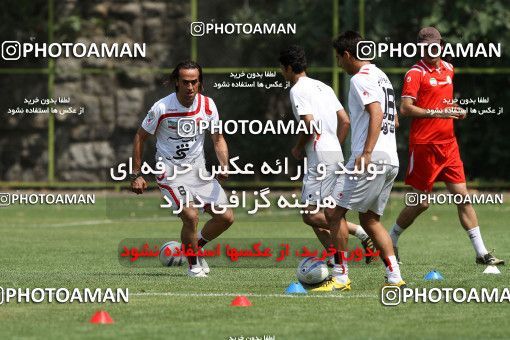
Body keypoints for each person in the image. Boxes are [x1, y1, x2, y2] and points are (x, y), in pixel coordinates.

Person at [389, 27, 504, 266]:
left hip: (448, 146)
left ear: (441, 45)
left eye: (435, 44)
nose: (432, 49)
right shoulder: (415, 73)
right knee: (420, 202)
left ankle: (482, 253)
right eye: (427, 45)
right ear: (420, 47)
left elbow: (445, 101)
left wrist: (455, 108)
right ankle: (391, 239)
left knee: (463, 197)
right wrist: (437, 112)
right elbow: (405, 108)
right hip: (424, 146)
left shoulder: (448, 68)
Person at [315, 31, 405, 292]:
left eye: (338, 58)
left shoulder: (360, 78)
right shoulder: (381, 76)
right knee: (370, 220)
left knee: (333, 212)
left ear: (347, 54)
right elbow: (393, 118)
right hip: (390, 159)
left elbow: (375, 112)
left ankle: (341, 277)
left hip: (371, 159)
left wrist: (365, 153)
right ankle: (394, 277)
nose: (338, 64)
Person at [130, 60, 234, 277]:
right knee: (190, 215)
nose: (190, 87)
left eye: (194, 82)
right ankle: (194, 266)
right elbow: (140, 136)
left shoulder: (207, 106)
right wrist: (137, 173)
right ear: (176, 82)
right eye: (185, 82)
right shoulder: (162, 107)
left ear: (200, 83)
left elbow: (218, 139)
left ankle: (195, 246)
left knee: (225, 218)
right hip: (169, 172)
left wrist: (224, 165)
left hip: (198, 171)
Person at [279, 45, 377, 272]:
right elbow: (345, 120)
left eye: (282, 69)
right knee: (322, 212)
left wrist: (298, 147)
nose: (282, 74)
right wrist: (334, 146)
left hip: (320, 157)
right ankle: (334, 258)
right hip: (334, 153)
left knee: (310, 215)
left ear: (289, 68)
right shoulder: (324, 86)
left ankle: (362, 234)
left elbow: (309, 124)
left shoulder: (297, 90)